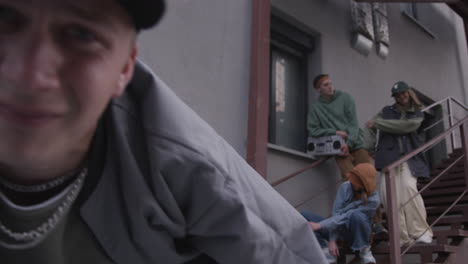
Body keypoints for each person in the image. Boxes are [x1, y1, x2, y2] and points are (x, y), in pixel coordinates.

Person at [0, 0, 328, 263]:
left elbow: (292, 252)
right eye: (4, 16)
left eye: (82, 34)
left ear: (124, 70)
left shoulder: (186, 167)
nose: (29, 75)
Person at [366, 81, 433, 246]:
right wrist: (369, 146)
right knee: (388, 197)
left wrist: (379, 124)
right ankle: (401, 237)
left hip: (408, 159)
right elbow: (369, 126)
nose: (401, 96)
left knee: (408, 189)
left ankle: (421, 232)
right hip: (388, 158)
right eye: (397, 95)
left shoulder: (417, 113)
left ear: (409, 93)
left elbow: (406, 127)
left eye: (403, 93)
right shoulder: (386, 111)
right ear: (394, 97)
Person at [302, 163, 380, 264]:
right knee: (305, 215)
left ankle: (364, 251)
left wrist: (320, 225)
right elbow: (337, 214)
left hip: (356, 234)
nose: (351, 182)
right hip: (339, 230)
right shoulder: (345, 187)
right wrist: (332, 240)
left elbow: (347, 216)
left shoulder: (374, 200)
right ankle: (325, 250)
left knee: (356, 216)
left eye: (354, 181)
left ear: (364, 184)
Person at [308, 74, 372, 181]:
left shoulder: (345, 98)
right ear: (319, 89)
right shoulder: (315, 108)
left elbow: (353, 123)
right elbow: (313, 130)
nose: (330, 87)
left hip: (356, 143)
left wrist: (349, 143)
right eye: (326, 85)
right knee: (350, 179)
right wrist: (335, 132)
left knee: (368, 175)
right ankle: (355, 197)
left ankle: (368, 198)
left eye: (330, 83)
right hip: (339, 147)